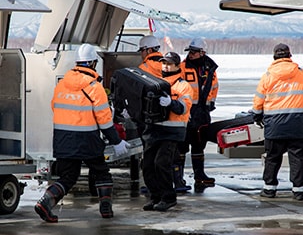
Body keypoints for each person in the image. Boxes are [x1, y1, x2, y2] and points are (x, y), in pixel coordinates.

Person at [35, 44, 130, 223]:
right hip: (87, 139)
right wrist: (116, 141)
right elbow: (104, 119)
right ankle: (106, 208)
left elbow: (54, 106)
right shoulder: (95, 87)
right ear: (93, 63)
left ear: (78, 63)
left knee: (68, 177)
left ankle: (45, 203)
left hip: (62, 138)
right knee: (101, 172)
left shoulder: (62, 84)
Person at [252, 43, 303, 201]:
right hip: (297, 123)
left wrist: (257, 116)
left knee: (273, 157)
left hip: (274, 125)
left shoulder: (267, 76)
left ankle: (269, 189)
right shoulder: (302, 74)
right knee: (297, 157)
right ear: (290, 56)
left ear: (274, 57)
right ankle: (299, 190)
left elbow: (258, 101)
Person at [142, 52, 193, 211]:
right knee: (147, 165)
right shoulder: (156, 83)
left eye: (169, 64)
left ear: (177, 66)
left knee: (161, 163)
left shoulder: (183, 86)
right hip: (154, 130)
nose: (165, 66)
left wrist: (171, 103)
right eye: (164, 63)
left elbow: (184, 108)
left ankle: (169, 197)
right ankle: (155, 197)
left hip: (172, 131)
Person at [176, 38, 219, 191]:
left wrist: (210, 104)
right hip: (186, 111)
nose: (191, 54)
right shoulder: (182, 67)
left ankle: (200, 176)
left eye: (194, 52)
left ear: (202, 52)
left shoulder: (210, 69)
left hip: (202, 112)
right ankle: (178, 178)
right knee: (181, 146)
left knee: (199, 145)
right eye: (190, 51)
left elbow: (214, 87)